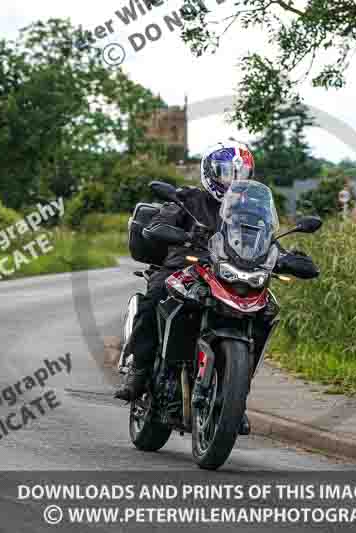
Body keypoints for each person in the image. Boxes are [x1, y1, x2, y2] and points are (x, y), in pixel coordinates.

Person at [114, 141, 317, 436]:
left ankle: (234, 401)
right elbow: (162, 220)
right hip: (186, 264)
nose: (233, 179)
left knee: (265, 311)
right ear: (210, 172)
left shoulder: (249, 208)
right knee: (156, 293)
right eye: (225, 172)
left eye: (241, 173)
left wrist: (284, 257)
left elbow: (265, 237)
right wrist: (167, 229)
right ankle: (140, 369)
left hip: (230, 273)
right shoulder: (189, 199)